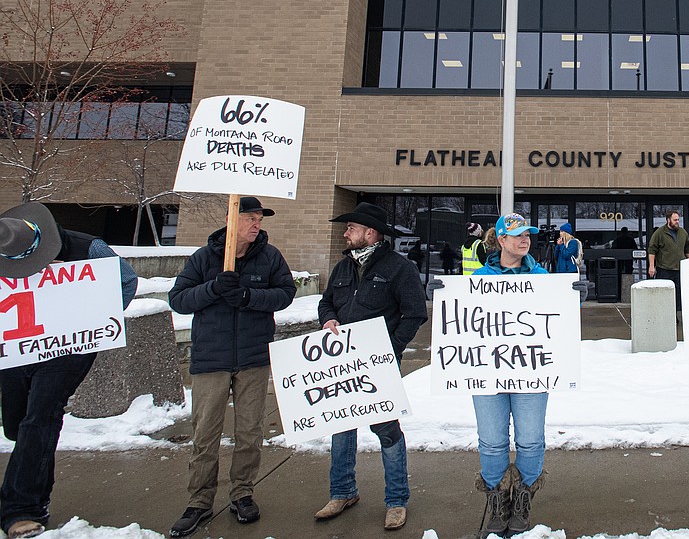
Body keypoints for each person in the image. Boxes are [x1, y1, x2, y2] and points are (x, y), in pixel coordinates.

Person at [432, 214, 587, 538]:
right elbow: (462, 318)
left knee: (530, 440)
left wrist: (574, 298)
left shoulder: (543, 276)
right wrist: (443, 295)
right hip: (487, 373)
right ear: (501, 240)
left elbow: (556, 320)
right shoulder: (478, 277)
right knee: (491, 441)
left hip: (531, 372)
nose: (525, 239)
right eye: (517, 235)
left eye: (528, 234)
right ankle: (498, 498)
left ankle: (523, 499)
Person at [0, 203, 138, 539]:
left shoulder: (87, 247)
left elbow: (126, 282)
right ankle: (34, 495)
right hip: (18, 346)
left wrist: (85, 311)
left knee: (41, 416)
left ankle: (20, 508)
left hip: (68, 348)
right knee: (20, 424)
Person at [167, 196, 296, 537]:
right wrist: (213, 288)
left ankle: (242, 493)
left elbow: (285, 293)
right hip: (211, 360)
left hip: (252, 359)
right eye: (251, 218)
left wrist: (247, 297)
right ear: (232, 218)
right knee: (205, 435)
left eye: (259, 220)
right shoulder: (204, 258)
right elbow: (178, 300)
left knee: (249, 433)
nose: (257, 225)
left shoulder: (269, 257)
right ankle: (199, 501)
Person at [316, 202, 428, 530]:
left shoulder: (397, 268)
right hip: (341, 366)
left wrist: (390, 349)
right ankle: (342, 492)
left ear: (370, 233)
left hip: (378, 367)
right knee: (341, 428)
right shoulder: (343, 268)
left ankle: (396, 500)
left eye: (351, 227)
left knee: (387, 432)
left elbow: (415, 313)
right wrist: (329, 318)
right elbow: (326, 302)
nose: (345, 232)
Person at [647, 211, 689, 310]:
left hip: (680, 269)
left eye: (678, 220)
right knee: (665, 293)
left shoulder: (683, 233)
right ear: (668, 220)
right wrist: (651, 266)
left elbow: (687, 248)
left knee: (679, 293)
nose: (677, 222)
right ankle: (664, 312)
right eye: (675, 220)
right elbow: (652, 249)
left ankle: (676, 314)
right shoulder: (660, 233)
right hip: (664, 269)